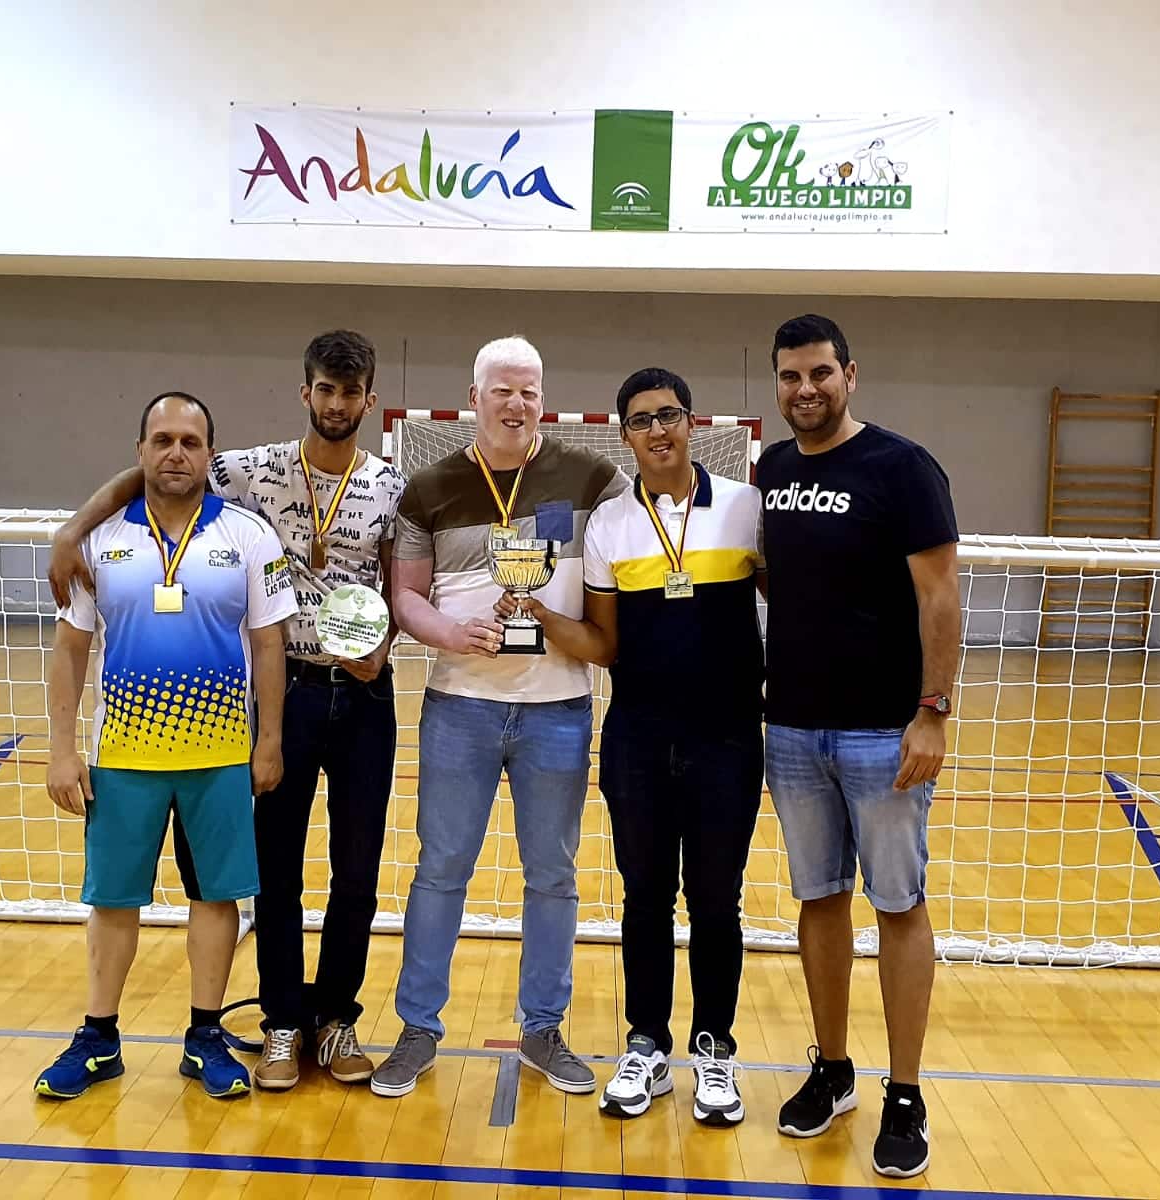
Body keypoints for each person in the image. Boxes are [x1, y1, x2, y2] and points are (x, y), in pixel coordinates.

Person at [47, 331, 405, 1091]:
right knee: (273, 873)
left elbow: (403, 584)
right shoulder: (249, 470)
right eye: (325, 390)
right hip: (289, 694)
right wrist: (74, 527)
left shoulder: (393, 485)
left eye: (351, 393)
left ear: (369, 400)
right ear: (305, 392)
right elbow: (152, 471)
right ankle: (278, 1024)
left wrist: (385, 642)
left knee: (359, 870)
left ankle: (336, 1021)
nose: (337, 404)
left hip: (366, 696)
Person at [368, 335, 629, 1099]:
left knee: (553, 877)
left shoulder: (593, 478)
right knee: (441, 870)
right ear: (474, 397)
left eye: (530, 390)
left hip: (558, 710)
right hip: (460, 708)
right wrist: (450, 633)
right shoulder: (430, 486)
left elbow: (629, 559)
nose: (517, 404)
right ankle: (419, 1029)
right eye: (503, 390)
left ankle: (543, 1029)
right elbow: (406, 595)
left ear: (543, 398)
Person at [503, 368, 766, 1125]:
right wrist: (540, 615)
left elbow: (791, 595)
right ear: (623, 436)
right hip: (640, 742)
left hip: (726, 740)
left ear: (693, 424)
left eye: (671, 416)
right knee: (645, 901)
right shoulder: (612, 524)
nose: (658, 430)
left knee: (718, 902)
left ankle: (714, 1050)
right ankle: (646, 1044)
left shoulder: (745, 508)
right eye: (642, 421)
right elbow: (606, 646)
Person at [35, 391, 296, 1101]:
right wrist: (62, 750)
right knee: (113, 900)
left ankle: (204, 1036)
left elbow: (270, 646)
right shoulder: (98, 540)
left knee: (217, 898)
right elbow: (69, 651)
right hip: (123, 757)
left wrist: (268, 742)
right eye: (162, 440)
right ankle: (98, 1038)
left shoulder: (248, 536)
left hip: (219, 757)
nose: (175, 452)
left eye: (190, 440)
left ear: (210, 454)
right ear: (140, 452)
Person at [758, 315, 960, 1179]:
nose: (805, 390)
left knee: (898, 906)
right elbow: (774, 574)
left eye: (820, 374)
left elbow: (941, 595)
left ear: (850, 374)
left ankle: (904, 1093)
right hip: (793, 725)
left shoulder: (902, 468)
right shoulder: (770, 469)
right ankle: (833, 1070)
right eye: (790, 377)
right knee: (819, 900)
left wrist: (933, 711)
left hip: (886, 731)